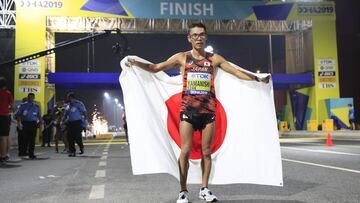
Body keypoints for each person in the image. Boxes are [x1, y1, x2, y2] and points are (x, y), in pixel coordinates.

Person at [126, 22, 270, 203]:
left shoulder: (214, 59)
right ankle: (183, 191)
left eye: (201, 34)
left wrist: (257, 78)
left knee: (206, 152)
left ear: (206, 37)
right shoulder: (182, 58)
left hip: (208, 112)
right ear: (189, 38)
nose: (198, 38)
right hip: (188, 111)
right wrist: (134, 62)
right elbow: (155, 68)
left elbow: (235, 71)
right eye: (195, 35)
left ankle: (205, 189)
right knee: (185, 151)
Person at [15, 93, 42, 159]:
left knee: (32, 140)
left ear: (34, 98)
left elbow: (39, 116)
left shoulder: (36, 106)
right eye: (29, 97)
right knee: (24, 139)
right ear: (27, 98)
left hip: (33, 124)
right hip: (25, 124)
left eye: (32, 97)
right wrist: (19, 123)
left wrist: (40, 123)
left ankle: (31, 153)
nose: (31, 99)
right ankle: (23, 152)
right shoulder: (23, 105)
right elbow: (18, 114)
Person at [64, 92, 87, 157]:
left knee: (77, 137)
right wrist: (63, 121)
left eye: (68, 97)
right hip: (70, 123)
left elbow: (84, 112)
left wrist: (85, 121)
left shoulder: (79, 104)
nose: (67, 98)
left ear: (71, 97)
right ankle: (72, 151)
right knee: (70, 137)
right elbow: (65, 114)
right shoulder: (68, 105)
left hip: (77, 122)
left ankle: (81, 147)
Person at [0, 77, 16, 164]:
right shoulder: (7, 93)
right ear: (5, 85)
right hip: (4, 117)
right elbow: (13, 107)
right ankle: (4, 155)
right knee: (4, 136)